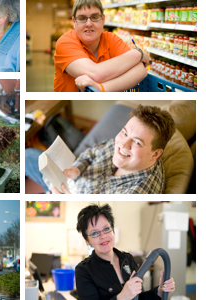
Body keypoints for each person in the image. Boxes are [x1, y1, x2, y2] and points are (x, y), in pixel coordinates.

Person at [25, 105, 175, 194]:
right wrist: (77, 168)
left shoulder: (136, 192)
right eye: (124, 132)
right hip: (71, 175)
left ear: (155, 154)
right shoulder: (123, 147)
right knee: (27, 156)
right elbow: (93, 151)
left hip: (69, 193)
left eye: (136, 142)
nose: (123, 144)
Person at [75, 204, 175, 299]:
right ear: (87, 241)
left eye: (106, 228)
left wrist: (159, 292)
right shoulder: (84, 270)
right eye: (95, 233)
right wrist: (122, 297)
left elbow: (139, 297)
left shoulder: (127, 259)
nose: (103, 236)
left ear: (113, 230)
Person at [53, 0, 149, 92]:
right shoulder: (65, 42)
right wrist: (139, 53)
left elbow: (141, 70)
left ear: (103, 19)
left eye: (94, 17)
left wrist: (101, 89)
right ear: (74, 22)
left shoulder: (111, 39)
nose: (89, 24)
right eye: (82, 18)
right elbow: (95, 74)